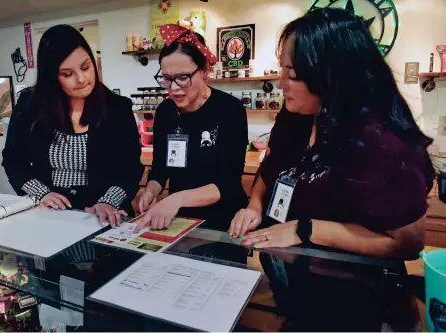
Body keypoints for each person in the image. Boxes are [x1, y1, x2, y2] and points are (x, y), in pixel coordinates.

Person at [230, 8, 435, 260]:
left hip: (351, 285)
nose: (281, 83)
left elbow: (407, 243)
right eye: (282, 69)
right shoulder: (297, 114)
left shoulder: (383, 143)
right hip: (286, 271)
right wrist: (255, 206)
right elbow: (272, 165)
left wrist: (306, 229)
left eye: (292, 74)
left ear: (332, 77)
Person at [2, 24, 143, 226]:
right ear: (51, 77)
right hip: (52, 213)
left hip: (104, 214)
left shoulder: (117, 107)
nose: (82, 79)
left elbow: (130, 167)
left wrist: (108, 201)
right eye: (67, 74)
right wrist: (42, 193)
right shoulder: (31, 105)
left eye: (86, 67)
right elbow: (13, 160)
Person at [136, 24, 248, 232]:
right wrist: (151, 191)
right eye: (167, 79)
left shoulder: (229, 110)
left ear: (204, 70)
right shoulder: (166, 112)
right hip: (179, 221)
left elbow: (229, 184)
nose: (174, 88)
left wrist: (177, 199)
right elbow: (160, 168)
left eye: (183, 77)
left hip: (222, 223)